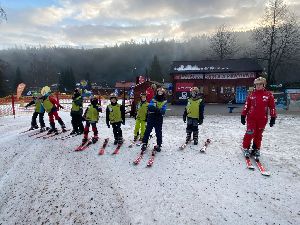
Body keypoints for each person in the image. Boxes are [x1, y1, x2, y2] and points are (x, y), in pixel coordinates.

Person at [241, 77, 277, 159]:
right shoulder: (251, 95)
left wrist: (273, 117)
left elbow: (272, 107)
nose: (258, 86)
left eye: (260, 84)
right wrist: (243, 115)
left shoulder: (268, 95)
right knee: (250, 133)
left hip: (262, 119)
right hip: (251, 118)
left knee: (258, 135)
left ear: (264, 85)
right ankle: (246, 147)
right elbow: (246, 106)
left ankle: (256, 149)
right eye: (257, 84)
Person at [141, 87, 167, 152]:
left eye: (161, 92)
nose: (160, 93)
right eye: (159, 92)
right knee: (148, 130)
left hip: (159, 118)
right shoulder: (154, 99)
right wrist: (158, 110)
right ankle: (144, 143)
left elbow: (163, 111)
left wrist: (156, 109)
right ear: (157, 92)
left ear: (163, 93)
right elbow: (150, 107)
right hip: (151, 117)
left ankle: (159, 144)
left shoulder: (164, 101)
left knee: (158, 132)